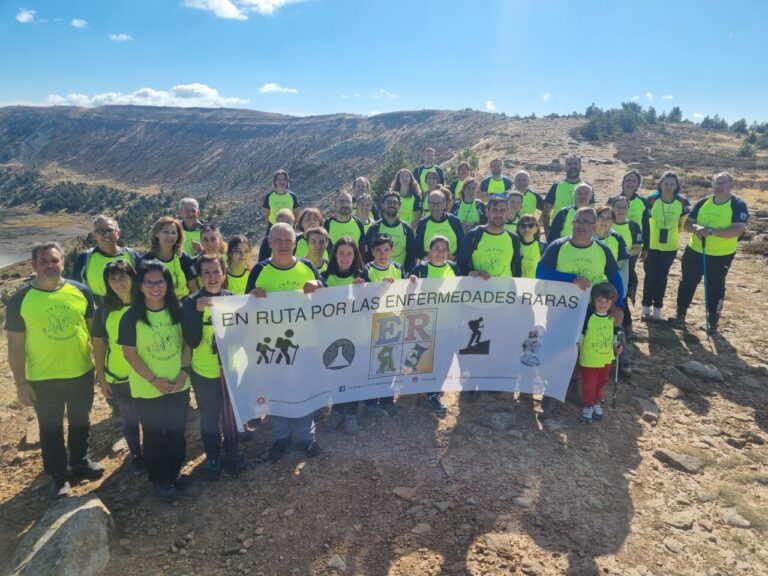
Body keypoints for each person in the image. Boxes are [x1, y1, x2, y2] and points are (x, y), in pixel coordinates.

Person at [6, 242, 104, 498]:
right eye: (44, 261)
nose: (50, 266)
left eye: (55, 261)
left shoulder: (81, 291)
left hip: (81, 370)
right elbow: (15, 346)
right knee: (50, 428)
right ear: (34, 265)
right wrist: (20, 383)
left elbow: (95, 333)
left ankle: (80, 461)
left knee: (80, 420)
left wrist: (100, 369)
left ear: (63, 262)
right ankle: (59, 476)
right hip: (43, 377)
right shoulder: (20, 300)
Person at [536, 207, 625, 424]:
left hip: (590, 311)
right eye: (578, 221)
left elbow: (615, 279)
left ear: (595, 226)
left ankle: (574, 386)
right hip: (561, 310)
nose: (581, 225)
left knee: (583, 350)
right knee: (559, 350)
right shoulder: (558, 246)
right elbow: (541, 272)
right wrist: (571, 279)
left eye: (587, 222)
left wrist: (620, 305)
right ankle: (550, 397)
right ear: (572, 223)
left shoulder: (602, 250)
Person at [245, 223, 324, 461]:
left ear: (294, 243)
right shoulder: (259, 270)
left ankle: (306, 438)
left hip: (305, 344)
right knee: (276, 390)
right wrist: (253, 296)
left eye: (287, 240)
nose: (282, 245)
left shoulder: (307, 266)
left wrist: (318, 285)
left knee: (304, 389)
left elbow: (328, 296)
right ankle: (281, 437)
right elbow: (244, 306)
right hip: (273, 347)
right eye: (277, 240)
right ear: (269, 243)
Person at [119, 260, 191, 503]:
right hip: (147, 387)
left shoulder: (178, 310)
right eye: (149, 282)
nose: (155, 287)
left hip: (177, 383)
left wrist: (183, 372)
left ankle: (175, 470)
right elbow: (129, 353)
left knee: (176, 431)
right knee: (153, 434)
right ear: (140, 286)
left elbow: (186, 343)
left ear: (168, 285)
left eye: (160, 281)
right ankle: (160, 478)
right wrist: (154, 380)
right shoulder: (131, 317)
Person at [182, 255, 243, 480]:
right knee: (209, 416)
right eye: (206, 273)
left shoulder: (233, 299)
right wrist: (197, 314)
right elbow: (193, 340)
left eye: (216, 272)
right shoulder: (190, 303)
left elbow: (244, 334)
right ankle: (213, 455)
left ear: (224, 274)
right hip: (204, 372)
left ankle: (234, 450)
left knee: (232, 414)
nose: (212, 277)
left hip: (231, 369)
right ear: (200, 277)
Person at [672, 172, 749, 333]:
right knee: (687, 282)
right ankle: (680, 314)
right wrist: (697, 228)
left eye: (722, 183)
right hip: (695, 250)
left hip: (721, 255)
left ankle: (713, 320)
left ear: (730, 185)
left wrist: (711, 231)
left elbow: (738, 229)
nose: (718, 186)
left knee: (715, 286)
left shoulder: (737, 204)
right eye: (716, 183)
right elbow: (688, 224)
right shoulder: (704, 202)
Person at [91, 261, 145, 477]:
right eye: (112, 278)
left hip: (148, 373)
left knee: (151, 417)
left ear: (133, 278)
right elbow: (99, 345)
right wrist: (102, 378)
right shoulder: (104, 311)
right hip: (120, 375)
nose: (118, 283)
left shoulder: (147, 303)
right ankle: (137, 456)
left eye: (123, 277)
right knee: (129, 418)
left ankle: (154, 451)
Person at [641, 171, 690, 322]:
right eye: (666, 183)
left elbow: (683, 223)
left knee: (662, 278)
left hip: (670, 247)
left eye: (672, 184)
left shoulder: (682, 202)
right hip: (651, 246)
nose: (668, 187)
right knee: (649, 277)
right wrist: (645, 246)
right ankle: (645, 310)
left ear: (676, 186)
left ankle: (657, 311)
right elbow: (644, 223)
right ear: (660, 184)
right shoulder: (651, 200)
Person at [72, 215, 141, 304]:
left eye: (110, 230)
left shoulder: (133, 255)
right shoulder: (85, 258)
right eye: (100, 231)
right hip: (98, 310)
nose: (106, 234)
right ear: (94, 235)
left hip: (130, 307)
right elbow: (76, 287)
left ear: (118, 233)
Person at [578, 283, 622, 423]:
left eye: (606, 301)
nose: (603, 304)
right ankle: (588, 404)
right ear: (594, 300)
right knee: (589, 383)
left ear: (612, 303)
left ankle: (596, 401)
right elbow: (582, 333)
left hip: (605, 357)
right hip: (590, 357)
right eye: (600, 300)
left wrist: (617, 346)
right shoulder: (588, 316)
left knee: (601, 382)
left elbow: (615, 335)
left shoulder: (611, 318)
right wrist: (578, 343)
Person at [457, 195, 523, 278]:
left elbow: (517, 268)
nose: (498, 214)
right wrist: (471, 272)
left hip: (505, 289)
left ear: (507, 213)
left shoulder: (514, 238)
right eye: (494, 210)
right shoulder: (473, 235)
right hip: (478, 289)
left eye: (502, 210)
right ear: (487, 212)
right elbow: (461, 262)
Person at [609, 196, 643, 348]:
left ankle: (626, 329)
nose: (621, 210)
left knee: (622, 299)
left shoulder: (634, 226)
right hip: (605, 268)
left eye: (624, 207)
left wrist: (623, 255)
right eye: (618, 206)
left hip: (625, 268)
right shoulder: (606, 224)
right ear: (612, 208)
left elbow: (637, 248)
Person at [143, 216, 198, 299]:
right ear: (157, 234)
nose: (170, 236)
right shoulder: (147, 261)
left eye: (173, 233)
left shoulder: (183, 257)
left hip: (186, 305)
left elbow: (194, 289)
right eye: (165, 232)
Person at [365, 191, 417, 270]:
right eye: (388, 202)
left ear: (399, 206)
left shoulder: (407, 229)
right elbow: (368, 255)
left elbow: (411, 255)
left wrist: (407, 273)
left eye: (395, 202)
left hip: (400, 276)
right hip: (378, 276)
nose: (392, 205)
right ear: (382, 205)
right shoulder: (374, 229)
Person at [542, 156, 592, 235]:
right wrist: (547, 232)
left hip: (582, 233)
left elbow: (592, 210)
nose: (572, 166)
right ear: (565, 167)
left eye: (575, 164)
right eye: (569, 164)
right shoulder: (556, 186)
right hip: (558, 234)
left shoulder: (587, 187)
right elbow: (546, 212)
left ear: (580, 166)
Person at [415, 190, 465, 259]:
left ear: (444, 203)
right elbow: (417, 248)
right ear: (428, 204)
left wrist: (454, 257)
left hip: (451, 264)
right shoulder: (422, 223)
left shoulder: (454, 221)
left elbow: (463, 245)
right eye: (432, 203)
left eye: (438, 203)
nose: (435, 206)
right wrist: (427, 257)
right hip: (429, 264)